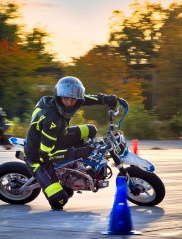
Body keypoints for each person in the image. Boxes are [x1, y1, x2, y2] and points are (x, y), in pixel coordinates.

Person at [24, 76, 117, 210]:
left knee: (91, 129)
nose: (68, 103)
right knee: (60, 200)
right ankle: (64, 179)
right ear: (58, 97)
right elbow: (46, 155)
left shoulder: (57, 102)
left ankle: (76, 169)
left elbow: (84, 99)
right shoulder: (52, 120)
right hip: (38, 156)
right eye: (65, 99)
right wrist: (77, 152)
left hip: (59, 137)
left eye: (73, 99)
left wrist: (104, 99)